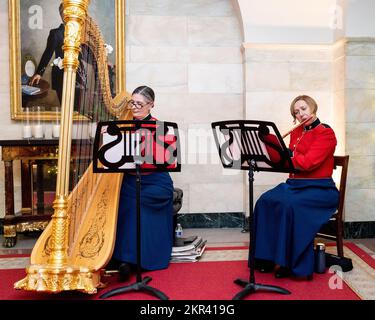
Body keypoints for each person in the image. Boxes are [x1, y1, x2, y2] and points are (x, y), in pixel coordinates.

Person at [252, 95, 339, 279]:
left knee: (289, 206)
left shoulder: (326, 133)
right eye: (296, 112)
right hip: (295, 185)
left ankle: (292, 264)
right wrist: (269, 142)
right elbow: (282, 161)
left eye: (303, 109)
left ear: (313, 108)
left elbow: (307, 163)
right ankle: (266, 259)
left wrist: (288, 155)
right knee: (264, 201)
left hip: (320, 189)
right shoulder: (296, 133)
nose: (301, 114)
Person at [110, 86, 175, 280]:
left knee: (137, 201)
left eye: (139, 103)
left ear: (151, 105)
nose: (135, 107)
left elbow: (168, 160)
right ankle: (119, 257)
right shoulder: (123, 126)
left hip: (157, 182)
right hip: (130, 179)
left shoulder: (161, 127)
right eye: (132, 103)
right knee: (118, 199)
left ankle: (135, 260)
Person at [29, 3, 65, 104]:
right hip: (61, 76)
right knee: (66, 106)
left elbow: (85, 54)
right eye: (63, 12)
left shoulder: (81, 33)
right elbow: (47, 53)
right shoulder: (56, 33)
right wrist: (39, 73)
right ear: (60, 14)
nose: (65, 14)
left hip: (79, 78)